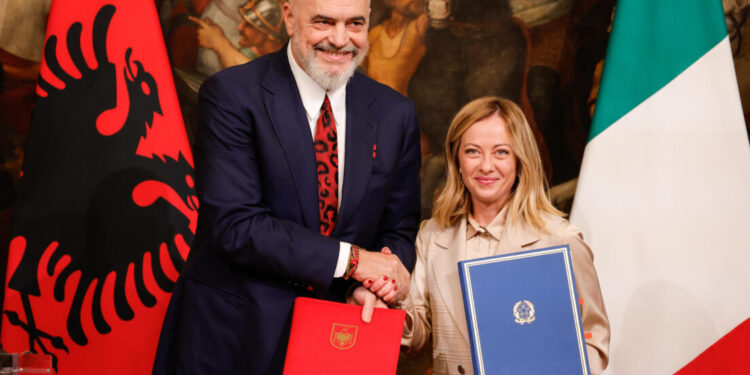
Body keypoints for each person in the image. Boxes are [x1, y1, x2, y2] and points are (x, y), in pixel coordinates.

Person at [152, 0, 422, 373]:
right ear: (290, 17)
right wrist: (355, 263)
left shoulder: (396, 113)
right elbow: (237, 225)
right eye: (324, 22)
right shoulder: (231, 95)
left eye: (355, 23)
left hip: (337, 344)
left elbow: (399, 229)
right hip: (234, 342)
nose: (340, 40)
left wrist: (377, 284)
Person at [357, 97, 610, 374]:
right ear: (457, 160)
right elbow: (416, 334)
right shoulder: (432, 235)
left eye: (501, 152)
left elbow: (594, 342)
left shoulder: (560, 239)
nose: (486, 166)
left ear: (519, 159)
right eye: (473, 152)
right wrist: (391, 302)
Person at [189, 0, 285, 70]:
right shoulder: (248, 52)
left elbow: (255, 79)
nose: (240, 28)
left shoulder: (283, 60)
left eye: (249, 25)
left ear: (268, 32)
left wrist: (218, 42)